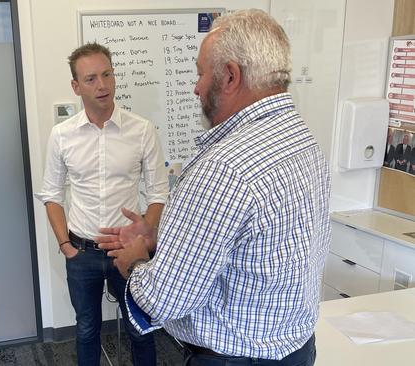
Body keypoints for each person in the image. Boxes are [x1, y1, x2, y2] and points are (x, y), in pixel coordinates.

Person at [97, 9, 330, 366]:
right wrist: (166, 239)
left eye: (200, 73)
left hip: (233, 358)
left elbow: (162, 300)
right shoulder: (302, 140)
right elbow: (254, 251)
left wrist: (135, 260)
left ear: (231, 76)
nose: (195, 86)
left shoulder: (224, 167)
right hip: (297, 350)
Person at [35, 42, 168, 366]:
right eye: (91, 78)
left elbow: (158, 193)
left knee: (141, 327)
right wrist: (66, 245)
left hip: (129, 250)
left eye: (107, 74)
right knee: (87, 329)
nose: (102, 85)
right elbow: (51, 194)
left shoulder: (142, 130)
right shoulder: (62, 135)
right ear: (76, 86)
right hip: (82, 252)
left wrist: (144, 234)